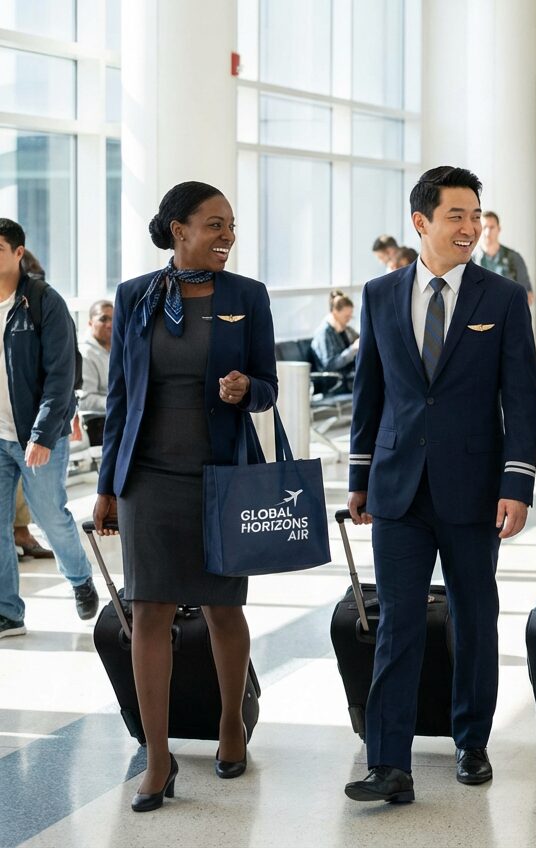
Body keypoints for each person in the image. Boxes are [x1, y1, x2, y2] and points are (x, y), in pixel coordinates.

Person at [343, 166, 536, 804]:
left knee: (473, 617)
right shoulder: (379, 294)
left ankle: (471, 741)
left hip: (474, 486)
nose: (470, 227)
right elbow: (368, 393)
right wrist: (359, 477)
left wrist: (517, 483)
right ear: (421, 222)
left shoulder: (502, 298)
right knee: (396, 623)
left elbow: (521, 400)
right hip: (398, 487)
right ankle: (388, 764)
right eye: (457, 215)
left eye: (476, 215)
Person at [92, 182, 278, 811]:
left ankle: (231, 723)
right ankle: (158, 756)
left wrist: (245, 389)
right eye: (215, 224)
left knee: (224, 607)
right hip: (148, 479)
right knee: (149, 612)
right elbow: (120, 396)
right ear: (179, 230)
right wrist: (107, 486)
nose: (228, 236)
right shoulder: (136, 296)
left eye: (231, 226)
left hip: (222, 477)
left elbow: (269, 387)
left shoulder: (247, 296)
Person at [0, 218, 98, 640]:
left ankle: (80, 578)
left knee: (50, 517)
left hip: (37, 435)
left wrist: (41, 434)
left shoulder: (43, 302)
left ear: (18, 253)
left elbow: (61, 376)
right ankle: (8, 613)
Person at [472, 211, 533, 305]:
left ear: (499, 229)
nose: (488, 232)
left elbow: (527, 296)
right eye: (484, 227)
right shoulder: (470, 260)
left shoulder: (514, 258)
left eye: (492, 227)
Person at [78, 300, 113, 446]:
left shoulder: (117, 349)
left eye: (114, 319)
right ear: (90, 323)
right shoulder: (85, 353)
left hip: (114, 417)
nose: (110, 324)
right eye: (103, 319)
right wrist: (119, 402)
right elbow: (84, 400)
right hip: (96, 423)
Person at [311, 290, 359, 393]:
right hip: (335, 383)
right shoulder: (324, 333)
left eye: (351, 316)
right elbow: (329, 366)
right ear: (335, 312)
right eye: (346, 316)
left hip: (348, 379)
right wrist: (352, 349)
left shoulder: (346, 330)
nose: (349, 319)